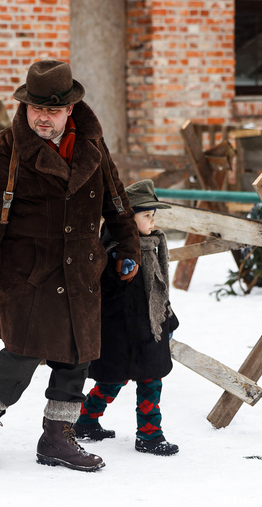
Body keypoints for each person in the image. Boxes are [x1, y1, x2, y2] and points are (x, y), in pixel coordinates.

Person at [0, 60, 141, 472]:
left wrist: (129, 245)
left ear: (70, 109)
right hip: (28, 273)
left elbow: (117, 201)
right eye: (35, 108)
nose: (43, 117)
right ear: (24, 106)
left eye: (52, 110)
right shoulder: (5, 151)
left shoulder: (92, 145)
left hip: (80, 270)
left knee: (75, 358)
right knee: (21, 356)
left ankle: (57, 437)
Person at [74, 178, 180, 456]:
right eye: (147, 215)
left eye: (153, 215)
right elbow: (104, 291)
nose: (152, 220)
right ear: (127, 220)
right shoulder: (114, 252)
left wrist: (168, 321)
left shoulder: (150, 246)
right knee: (115, 379)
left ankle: (90, 421)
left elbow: (158, 290)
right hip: (120, 331)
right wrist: (116, 271)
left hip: (146, 331)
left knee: (148, 380)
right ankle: (147, 436)